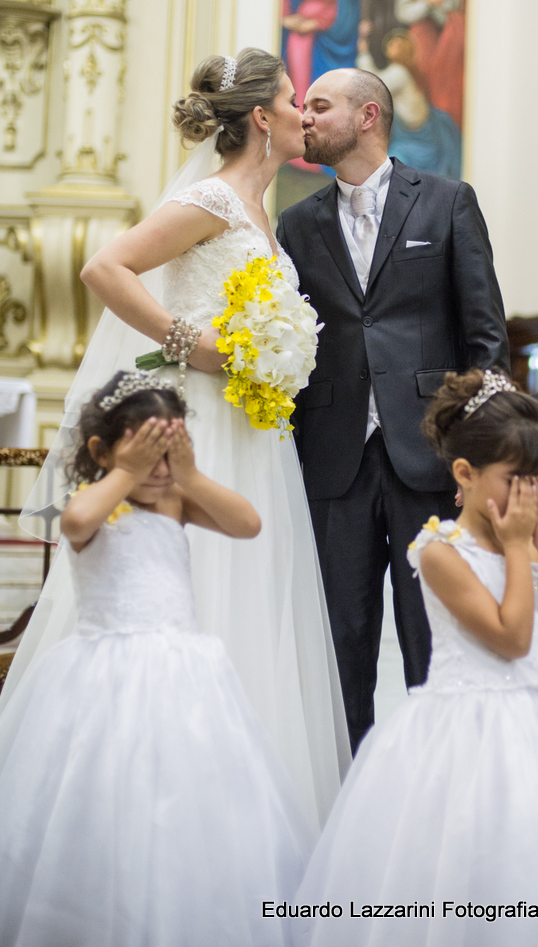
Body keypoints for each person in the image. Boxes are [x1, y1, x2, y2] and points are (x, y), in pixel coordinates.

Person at [1, 50, 350, 831]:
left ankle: (242, 813)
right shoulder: (213, 199)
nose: (302, 112)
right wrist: (193, 344)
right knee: (198, 585)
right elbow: (106, 267)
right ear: (261, 117)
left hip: (253, 430)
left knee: (253, 585)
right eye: (293, 98)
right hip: (200, 426)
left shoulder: (261, 212)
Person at [290, 370, 538, 947]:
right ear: (465, 474)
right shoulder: (438, 550)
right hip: (468, 725)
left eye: (537, 477)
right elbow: (511, 639)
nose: (528, 494)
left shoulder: (529, 542)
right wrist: (515, 548)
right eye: (514, 479)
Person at [0, 372, 311, 947]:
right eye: (147, 453)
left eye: (169, 454)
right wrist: (125, 472)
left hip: (180, 676)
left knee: (177, 791)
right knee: (101, 789)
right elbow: (75, 523)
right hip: (103, 676)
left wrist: (189, 475)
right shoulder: (93, 501)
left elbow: (248, 524)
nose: (159, 469)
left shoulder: (174, 501)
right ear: (101, 450)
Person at [277, 67, 508, 752]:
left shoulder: (446, 201)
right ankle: (348, 782)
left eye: (319, 106)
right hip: (332, 459)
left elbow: (486, 337)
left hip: (431, 457)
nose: (305, 116)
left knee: (432, 632)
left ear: (368, 116)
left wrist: (476, 454)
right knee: (339, 638)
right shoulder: (297, 222)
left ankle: (436, 773)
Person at [357, 25, 461, 179]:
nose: (390, 45)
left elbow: (374, 86)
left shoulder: (400, 73)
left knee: (392, 163)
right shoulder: (402, 70)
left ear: (405, 50)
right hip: (410, 132)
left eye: (396, 44)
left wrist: (364, 53)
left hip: (415, 137)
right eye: (390, 43)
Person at [394, 0, 465, 128]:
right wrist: (426, 3)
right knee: (419, 76)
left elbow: (451, 19)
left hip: (444, 44)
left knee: (438, 82)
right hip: (420, 38)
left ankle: (437, 123)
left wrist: (437, 3)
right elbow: (402, 10)